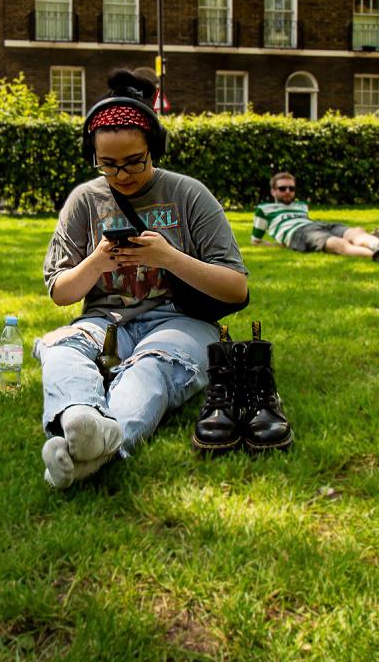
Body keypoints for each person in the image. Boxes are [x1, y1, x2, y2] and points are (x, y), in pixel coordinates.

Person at [33, 69, 251, 489]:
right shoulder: (84, 200)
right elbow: (61, 292)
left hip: (179, 321)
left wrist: (168, 258)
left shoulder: (189, 194)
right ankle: (80, 416)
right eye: (108, 165)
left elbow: (235, 286)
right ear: (94, 156)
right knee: (62, 348)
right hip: (106, 322)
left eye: (135, 161)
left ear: (154, 148)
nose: (122, 175)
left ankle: (95, 445)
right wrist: (96, 263)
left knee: (152, 367)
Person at [251, 172, 379, 260]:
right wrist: (278, 245)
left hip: (317, 224)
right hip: (298, 233)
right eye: (282, 188)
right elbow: (255, 241)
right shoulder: (264, 209)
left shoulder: (301, 205)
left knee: (355, 232)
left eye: (291, 189)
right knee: (337, 243)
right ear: (273, 191)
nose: (287, 192)